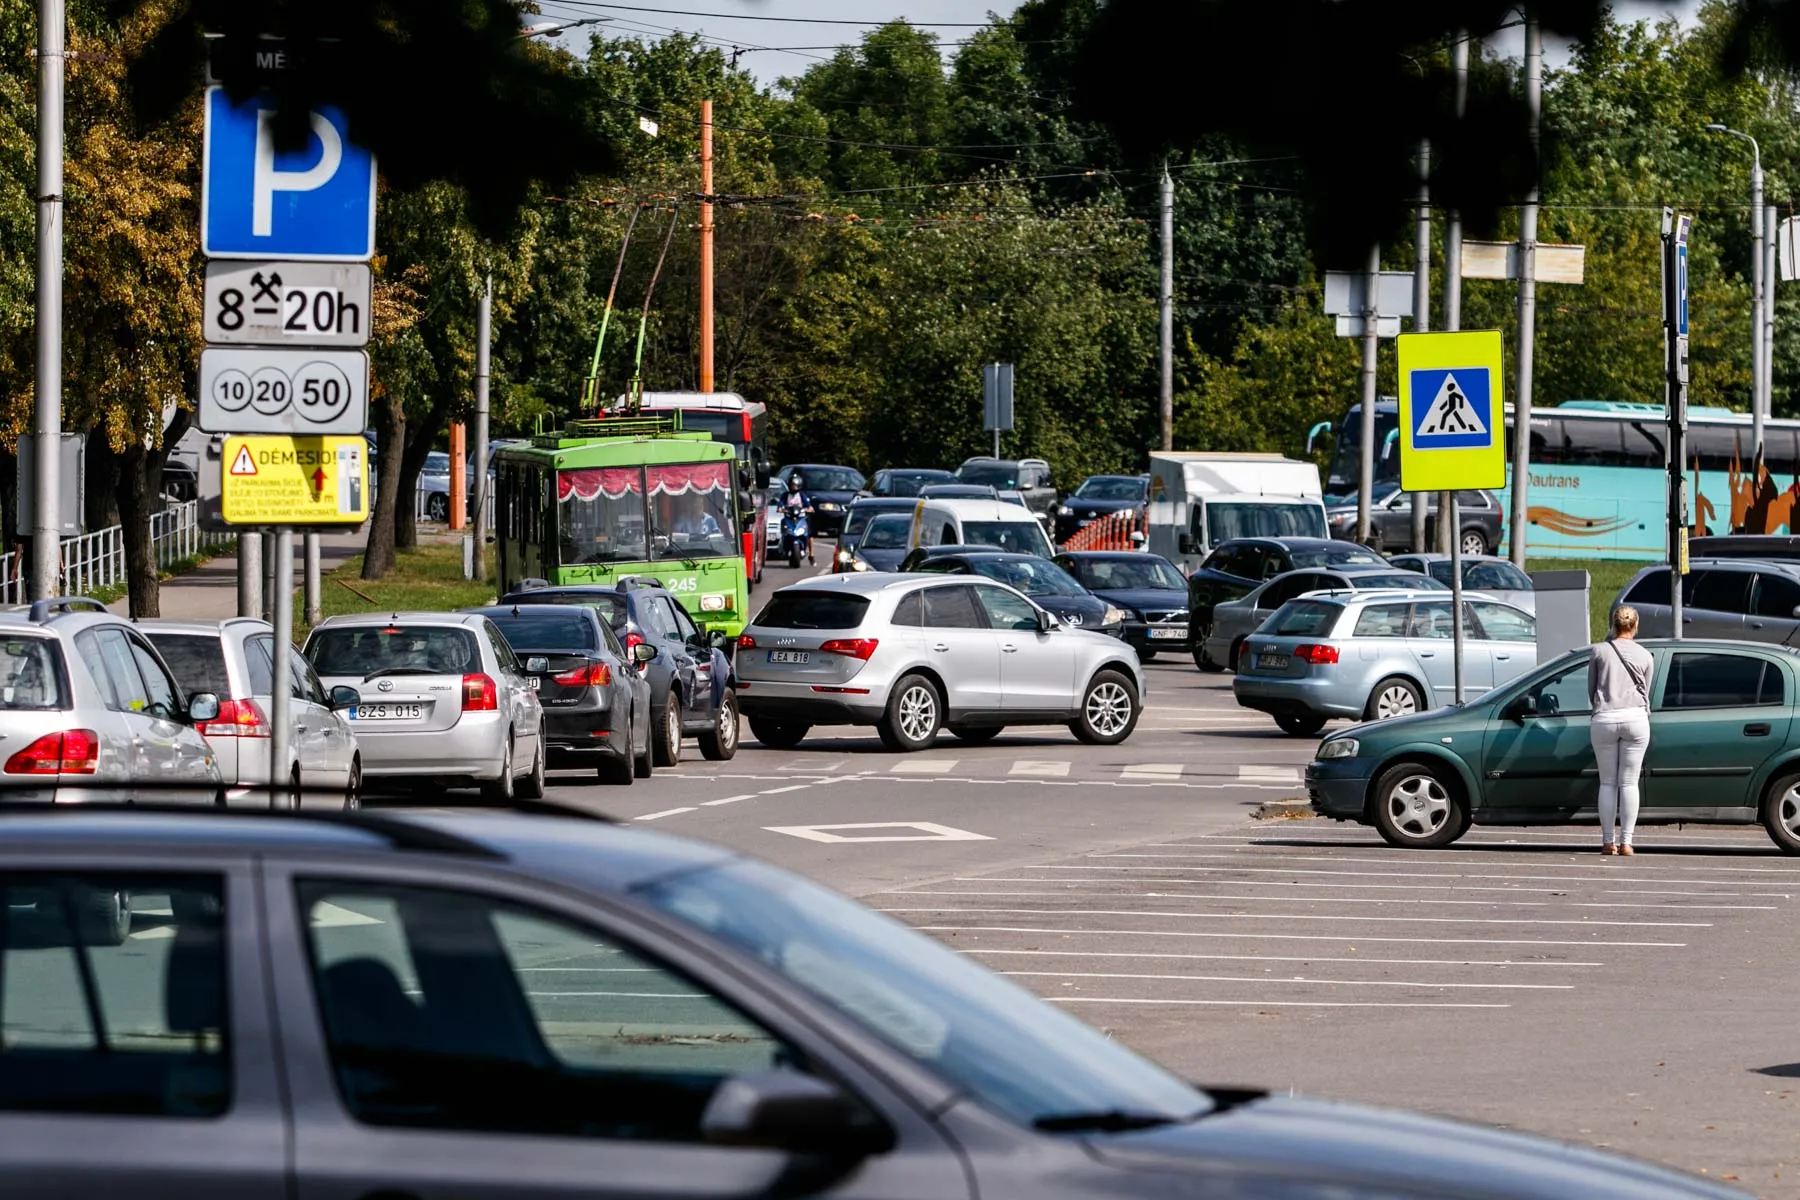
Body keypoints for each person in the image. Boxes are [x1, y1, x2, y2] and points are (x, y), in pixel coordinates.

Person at [1588, 605, 1654, 856]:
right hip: (1635, 719)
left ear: (1613, 625)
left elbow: (1592, 689)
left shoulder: (1599, 651)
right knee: (1629, 783)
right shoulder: (1646, 655)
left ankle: (1608, 842)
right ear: (1635, 626)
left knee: (1607, 782)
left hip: (1605, 717)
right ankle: (1627, 842)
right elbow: (1646, 691)